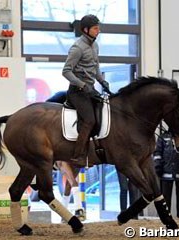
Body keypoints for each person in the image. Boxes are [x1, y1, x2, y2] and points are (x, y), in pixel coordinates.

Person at [62, 14, 109, 162]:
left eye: (98, 28)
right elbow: (66, 71)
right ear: (86, 30)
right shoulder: (77, 48)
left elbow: (95, 67)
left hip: (90, 89)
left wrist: (102, 81)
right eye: (95, 28)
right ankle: (78, 156)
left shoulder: (95, 45)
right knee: (89, 120)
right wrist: (82, 85)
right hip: (77, 91)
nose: (98, 31)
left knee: (105, 112)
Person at [153, 130, 179, 218]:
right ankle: (165, 217)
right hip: (165, 173)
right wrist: (158, 167)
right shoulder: (163, 137)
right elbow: (157, 153)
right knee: (165, 198)